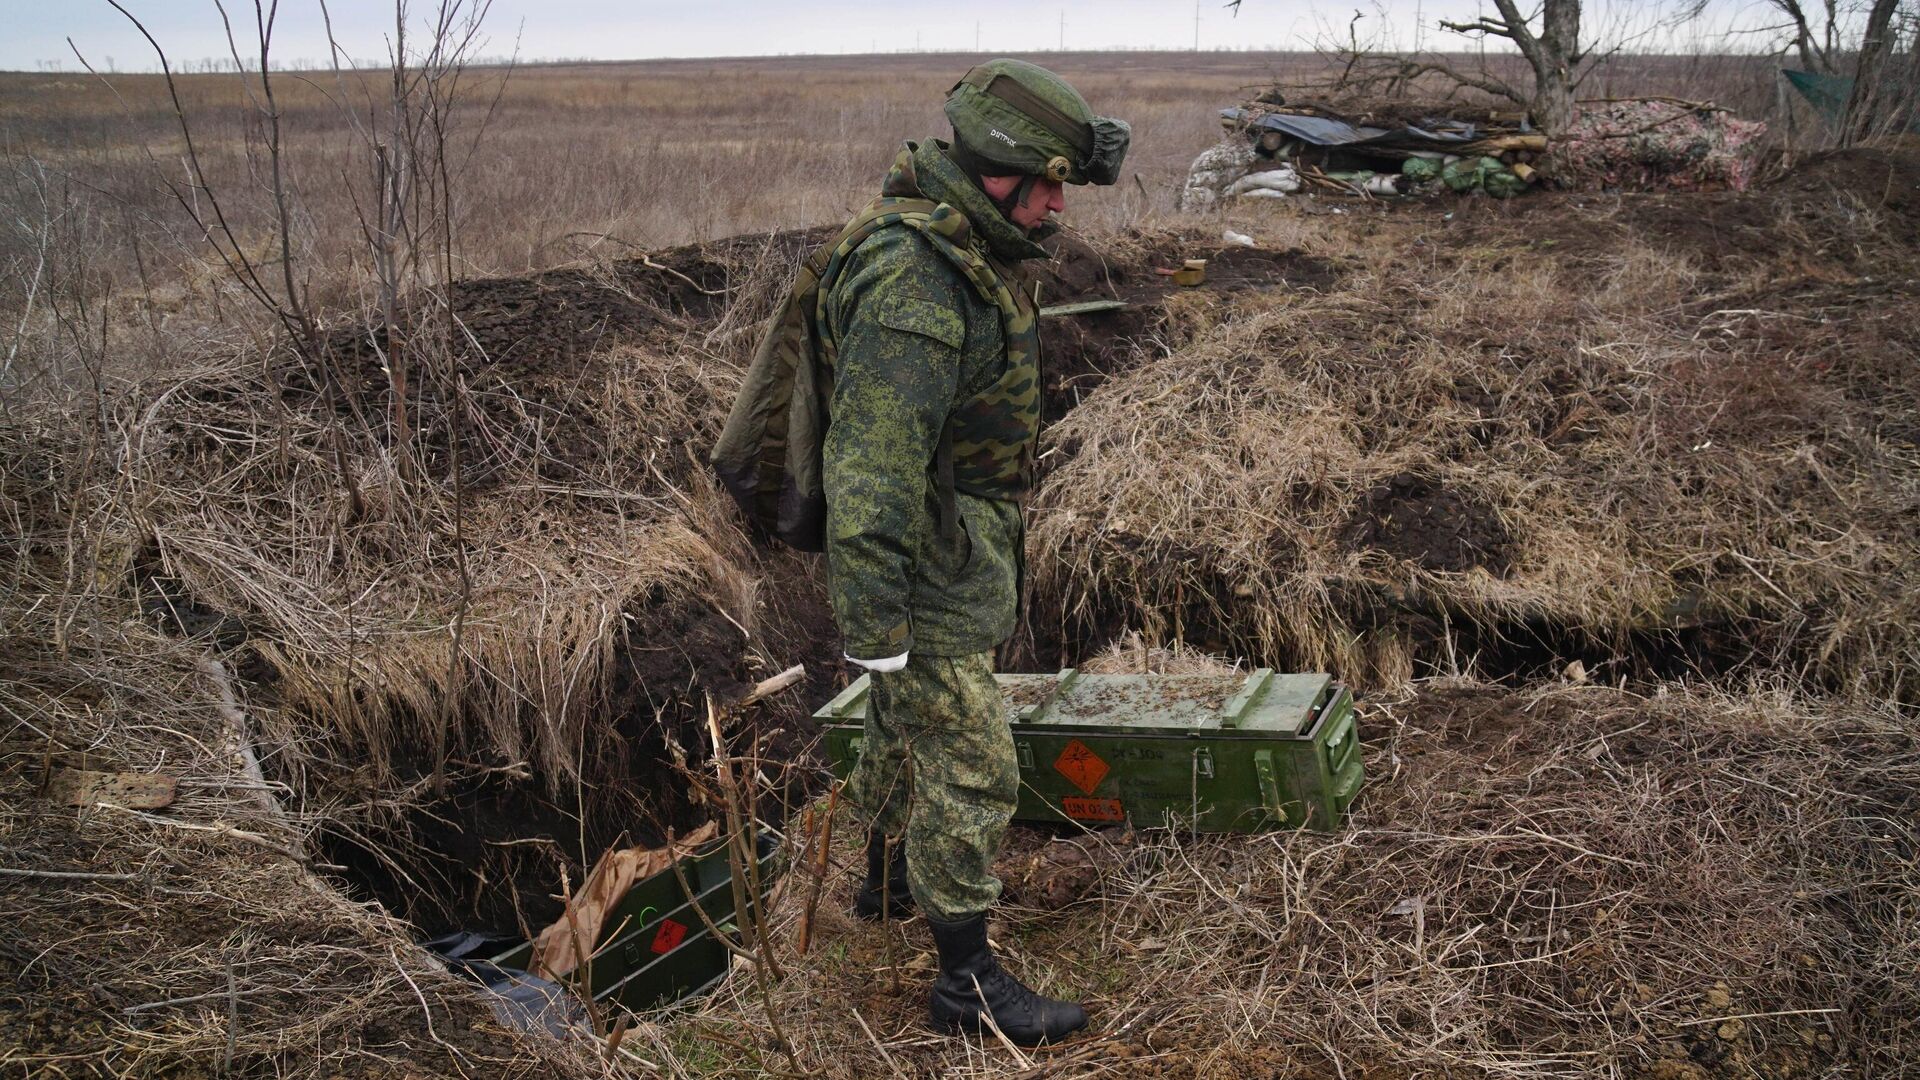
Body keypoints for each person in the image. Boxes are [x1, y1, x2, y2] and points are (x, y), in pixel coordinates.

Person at [823, 59, 1128, 1046]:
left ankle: (875, 890)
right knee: (973, 762)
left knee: (899, 731)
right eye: (1042, 180)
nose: (1054, 203)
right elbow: (870, 472)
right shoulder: (916, 280)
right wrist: (875, 627)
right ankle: (965, 986)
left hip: (955, 550)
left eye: (1062, 184)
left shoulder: (967, 245)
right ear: (990, 165)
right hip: (920, 562)